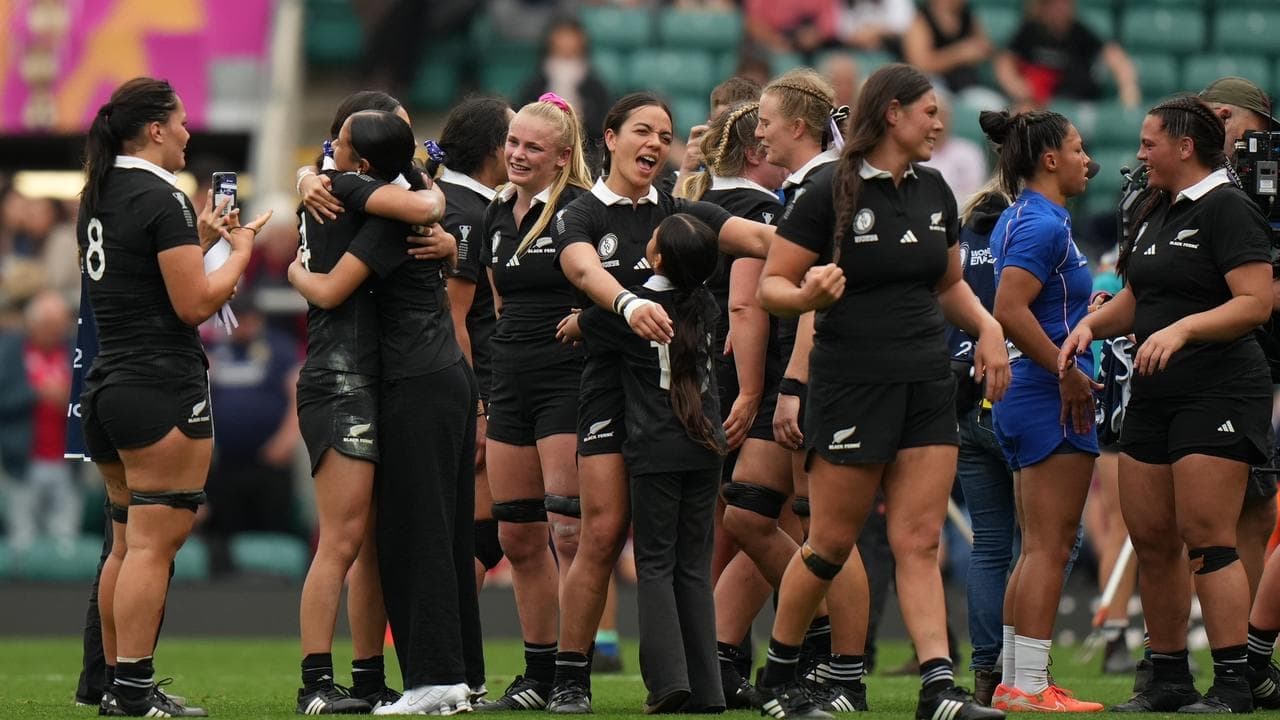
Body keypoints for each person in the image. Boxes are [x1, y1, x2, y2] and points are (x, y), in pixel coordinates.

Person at [755, 63, 1010, 720]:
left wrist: (986, 328)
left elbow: (949, 285)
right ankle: (780, 676)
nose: (938, 124)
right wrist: (806, 293)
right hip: (851, 385)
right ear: (892, 113)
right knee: (831, 543)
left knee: (919, 540)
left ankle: (937, 689)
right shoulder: (825, 193)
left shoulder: (933, 189)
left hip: (925, 381)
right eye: (928, 111)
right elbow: (772, 286)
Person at [545, 91, 776, 714]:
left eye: (665, 134)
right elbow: (583, 269)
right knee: (598, 533)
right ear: (611, 138)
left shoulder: (679, 211)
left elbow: (755, 236)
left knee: (656, 546)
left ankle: (674, 680)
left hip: (665, 408)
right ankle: (570, 676)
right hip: (607, 396)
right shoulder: (581, 212)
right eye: (642, 130)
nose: (654, 143)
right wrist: (623, 305)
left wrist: (812, 243)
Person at [1060, 95, 1274, 713]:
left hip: (1220, 387)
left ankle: (1233, 682)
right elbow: (1138, 295)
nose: (1139, 154)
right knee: (1152, 538)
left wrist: (1182, 331)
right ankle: (1169, 677)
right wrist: (1088, 328)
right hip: (1154, 392)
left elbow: (1254, 302)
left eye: (1149, 143)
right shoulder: (1155, 206)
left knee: (1209, 537)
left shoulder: (1230, 207)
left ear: (1185, 146)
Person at [78, 76, 271, 718]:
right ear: (156, 129)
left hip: (109, 382)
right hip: (160, 382)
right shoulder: (163, 196)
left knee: (129, 541)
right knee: (153, 547)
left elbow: (146, 277)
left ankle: (116, 683)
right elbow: (194, 303)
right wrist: (241, 251)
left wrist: (203, 240)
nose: (190, 132)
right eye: (182, 121)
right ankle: (134, 686)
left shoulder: (99, 190)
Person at [289, 109, 477, 716]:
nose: (326, 150)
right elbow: (429, 201)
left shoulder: (364, 200)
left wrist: (292, 268)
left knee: (405, 536)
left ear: (360, 162)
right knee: (397, 538)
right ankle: (439, 676)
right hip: (399, 377)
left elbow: (328, 289)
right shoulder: (390, 193)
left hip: (404, 379)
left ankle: (429, 679)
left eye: (337, 143)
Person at [570, 213, 729, 713]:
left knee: (655, 564)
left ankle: (667, 683)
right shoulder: (708, 303)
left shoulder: (633, 309)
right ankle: (708, 689)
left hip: (656, 447)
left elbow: (578, 325)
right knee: (693, 567)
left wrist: (580, 319)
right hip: (706, 444)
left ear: (657, 257)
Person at [471, 93, 593, 712]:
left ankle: (574, 676)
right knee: (518, 536)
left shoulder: (580, 211)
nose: (517, 155)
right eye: (513, 143)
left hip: (567, 383)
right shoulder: (496, 213)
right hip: (509, 384)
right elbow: (494, 308)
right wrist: (488, 396)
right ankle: (538, 673)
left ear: (562, 158)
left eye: (533, 148)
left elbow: (605, 285)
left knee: (570, 534)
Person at [980, 108, 1102, 712]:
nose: (1088, 160)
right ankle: (1028, 685)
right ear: (1049, 159)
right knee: (1050, 547)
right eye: (1078, 149)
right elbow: (1009, 307)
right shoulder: (1042, 223)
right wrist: (1068, 370)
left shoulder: (1028, 216)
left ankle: (1016, 680)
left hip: (1028, 394)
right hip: (1046, 396)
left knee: (1036, 547)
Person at [1199, 76, 1279, 601]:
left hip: (1261, 364)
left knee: (1259, 506)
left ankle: (1249, 654)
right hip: (1217, 363)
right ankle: (1233, 656)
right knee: (1214, 517)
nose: (1220, 130)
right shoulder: (1197, 186)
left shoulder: (1267, 181)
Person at [436, 95, 511, 642]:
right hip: (477, 385)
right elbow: (455, 318)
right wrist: (477, 407)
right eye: (514, 139)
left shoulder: (455, 201)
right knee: (481, 535)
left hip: (479, 383)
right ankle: (453, 657)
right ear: (493, 148)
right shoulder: (466, 211)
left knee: (487, 532)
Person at [947, 175, 1013, 706]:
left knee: (990, 546)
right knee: (1055, 541)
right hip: (1014, 395)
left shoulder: (958, 237)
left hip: (959, 401)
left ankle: (987, 675)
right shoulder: (1031, 230)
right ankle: (1025, 666)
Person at [4, 290, 79, 554]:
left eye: (61, 326)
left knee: (65, 543)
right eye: (49, 325)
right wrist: (36, 393)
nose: (56, 332)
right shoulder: (10, 353)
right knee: (21, 541)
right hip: (23, 460)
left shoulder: (73, 352)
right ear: (33, 324)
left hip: (66, 462)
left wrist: (68, 397)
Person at [995, 0, 1139, 110]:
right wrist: (1016, 86)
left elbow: (1113, 55)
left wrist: (1128, 86)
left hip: (1077, 104)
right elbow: (1005, 62)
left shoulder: (1080, 32)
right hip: (1038, 103)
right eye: (1055, 4)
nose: (1061, 8)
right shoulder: (1030, 31)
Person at [518, 19, 609, 156]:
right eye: (561, 36)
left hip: (587, 148)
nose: (566, 42)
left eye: (571, 36)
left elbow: (603, 121)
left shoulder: (595, 85)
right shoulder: (535, 83)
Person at [902, 0, 996, 106]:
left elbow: (986, 47)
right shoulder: (920, 20)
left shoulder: (967, 15)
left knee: (992, 107)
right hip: (933, 85)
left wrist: (979, 51)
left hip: (967, 85)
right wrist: (960, 54)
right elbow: (920, 65)